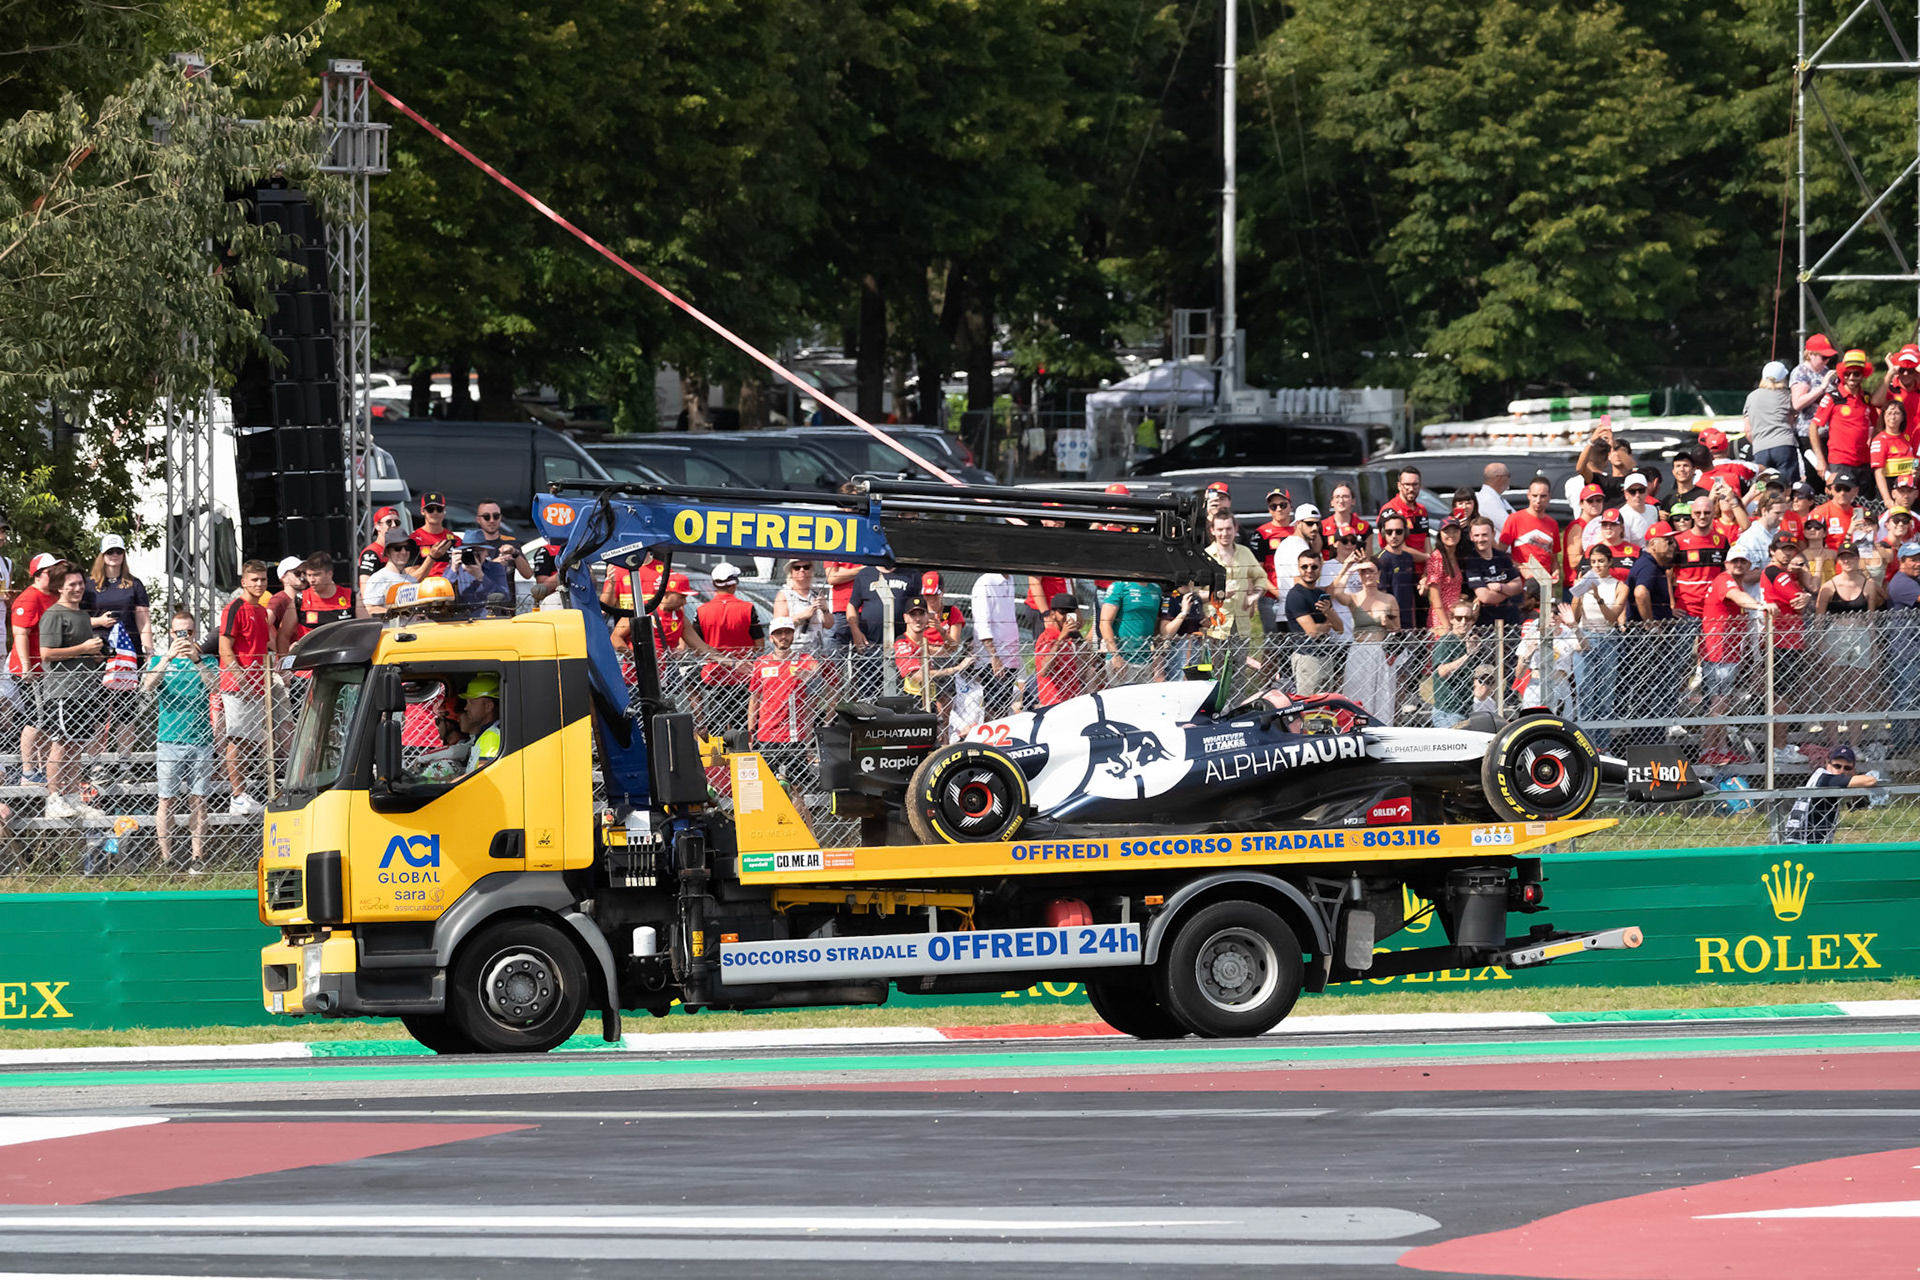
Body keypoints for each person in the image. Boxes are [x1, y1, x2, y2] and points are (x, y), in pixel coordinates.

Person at [143, 610, 218, 871]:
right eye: (178, 632)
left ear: (194, 633)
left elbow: (215, 686)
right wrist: (167, 658)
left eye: (187, 632)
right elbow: (148, 685)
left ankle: (198, 857)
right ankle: (166, 858)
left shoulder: (207, 660)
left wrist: (196, 660)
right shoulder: (160, 660)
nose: (183, 636)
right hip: (169, 740)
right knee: (166, 800)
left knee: (199, 799)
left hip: (201, 740)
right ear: (171, 633)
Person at [37, 568, 106, 821]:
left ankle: (74, 796)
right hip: (63, 691)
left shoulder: (82, 614)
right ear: (59, 588)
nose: (77, 589)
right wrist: (83, 648)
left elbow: (79, 651)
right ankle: (54, 798)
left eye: (80, 584)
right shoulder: (54, 614)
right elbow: (46, 653)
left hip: (85, 690)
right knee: (62, 743)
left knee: (78, 746)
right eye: (71, 585)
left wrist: (94, 654)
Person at [1698, 550, 1778, 764]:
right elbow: (1737, 598)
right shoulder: (1725, 580)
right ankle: (1708, 751)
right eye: (1735, 561)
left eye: (1743, 561)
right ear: (1726, 563)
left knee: (1722, 702)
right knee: (1718, 702)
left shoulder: (1735, 581)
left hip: (1728, 652)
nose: (1739, 565)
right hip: (1719, 652)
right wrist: (1760, 605)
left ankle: (1721, 747)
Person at [1815, 541, 1883, 753]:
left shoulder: (1868, 585)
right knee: (1832, 689)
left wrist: (1874, 647)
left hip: (1860, 634)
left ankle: (1854, 745)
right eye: (1843, 557)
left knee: (1858, 693)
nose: (1847, 560)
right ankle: (1834, 745)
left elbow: (1870, 620)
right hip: (1835, 634)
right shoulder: (1828, 587)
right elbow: (1819, 621)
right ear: (1838, 560)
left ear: (1857, 558)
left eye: (1851, 556)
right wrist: (1819, 647)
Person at [218, 561, 274, 812]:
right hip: (238, 684)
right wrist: (241, 679)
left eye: (262, 579)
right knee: (238, 739)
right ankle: (237, 795)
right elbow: (224, 647)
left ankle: (243, 792)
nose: (259, 584)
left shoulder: (261, 611)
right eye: (254, 580)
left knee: (250, 741)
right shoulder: (234, 609)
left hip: (258, 684)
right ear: (244, 582)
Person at [8, 553, 63, 787]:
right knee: (36, 717)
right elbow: (20, 633)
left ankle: (37, 767)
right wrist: (27, 667)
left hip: (47, 669)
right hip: (31, 670)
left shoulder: (52, 596)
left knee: (46, 719)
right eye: (52, 571)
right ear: (40, 574)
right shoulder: (29, 598)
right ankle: (28, 770)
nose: (57, 575)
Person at [1763, 539, 1817, 765]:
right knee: (1782, 696)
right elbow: (1798, 602)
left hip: (1788, 640)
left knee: (1784, 694)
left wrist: (1805, 596)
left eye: (1790, 550)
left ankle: (1780, 745)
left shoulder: (1786, 574)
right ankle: (1778, 747)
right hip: (1782, 640)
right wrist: (1805, 597)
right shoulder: (1777, 572)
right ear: (1772, 551)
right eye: (1782, 550)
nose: (1786, 554)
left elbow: (1802, 598)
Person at [1569, 544, 1627, 750]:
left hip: (1607, 639)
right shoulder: (1586, 582)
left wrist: (1597, 597)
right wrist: (1579, 593)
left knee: (1605, 695)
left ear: (1610, 562)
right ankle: (1586, 745)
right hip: (1586, 637)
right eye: (1593, 562)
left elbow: (1612, 618)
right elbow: (1575, 617)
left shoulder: (1619, 586)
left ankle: (1603, 746)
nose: (1597, 565)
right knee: (1585, 693)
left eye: (1601, 561)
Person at [747, 617, 822, 777]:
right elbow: (755, 698)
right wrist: (750, 730)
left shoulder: (802, 659)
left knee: (798, 784)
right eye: (778, 633)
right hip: (766, 734)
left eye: (787, 632)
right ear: (771, 637)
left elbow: (815, 669)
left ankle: (796, 801)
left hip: (794, 734)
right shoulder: (761, 663)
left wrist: (808, 674)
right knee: (767, 782)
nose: (783, 636)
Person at [695, 562, 764, 735]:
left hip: (713, 675)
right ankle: (740, 759)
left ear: (714, 584)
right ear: (734, 584)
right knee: (740, 726)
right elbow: (760, 646)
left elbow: (696, 647)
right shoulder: (747, 608)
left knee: (716, 727)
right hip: (743, 675)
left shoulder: (702, 610)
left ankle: (717, 760)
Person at [1330, 558, 1399, 723]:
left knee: (1383, 695)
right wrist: (1349, 569)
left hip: (1381, 651)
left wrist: (1387, 623)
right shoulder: (1354, 598)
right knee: (1357, 693)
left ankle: (1382, 728)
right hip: (1359, 651)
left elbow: (1397, 630)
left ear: (1378, 574)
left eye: (1371, 571)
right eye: (1363, 571)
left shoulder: (1389, 599)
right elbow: (1337, 593)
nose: (1367, 575)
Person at [1780, 745, 1877, 844]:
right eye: (1837, 766)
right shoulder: (1826, 779)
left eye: (1847, 768)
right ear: (1828, 764)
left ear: (1853, 769)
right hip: (1805, 845)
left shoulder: (1820, 776)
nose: (1842, 771)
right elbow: (1870, 780)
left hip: (1800, 841)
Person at [1810, 349, 1876, 488]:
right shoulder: (1833, 397)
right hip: (1840, 463)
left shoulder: (1866, 398)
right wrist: (1820, 459)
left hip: (1864, 463)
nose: (1851, 377)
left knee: (1865, 508)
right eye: (1847, 373)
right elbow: (1813, 427)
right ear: (1842, 374)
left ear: (1863, 375)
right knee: (1843, 504)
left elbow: (1878, 424)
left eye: (1856, 373)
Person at [1204, 510, 1268, 648]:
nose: (1224, 533)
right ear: (1212, 530)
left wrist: (1254, 596)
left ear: (1236, 528)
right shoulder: (1205, 557)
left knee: (1240, 669)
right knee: (1215, 669)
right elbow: (1194, 592)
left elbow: (1261, 577)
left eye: (1228, 528)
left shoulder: (1245, 552)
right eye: (1220, 529)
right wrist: (1218, 594)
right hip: (1215, 629)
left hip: (1241, 627)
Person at [1284, 550, 1342, 694]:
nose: (1309, 571)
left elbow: (1340, 628)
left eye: (1314, 567)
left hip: (1326, 656)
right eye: (1305, 567)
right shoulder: (1295, 595)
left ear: (1320, 567)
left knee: (1325, 705)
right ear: (1298, 568)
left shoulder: (1320, 594)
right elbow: (1313, 632)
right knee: (1308, 704)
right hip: (1307, 656)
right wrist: (1327, 624)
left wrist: (1328, 612)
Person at [1883, 541, 1920, 766]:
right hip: (1906, 652)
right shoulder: (1901, 582)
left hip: (1915, 649)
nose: (1918, 563)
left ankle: (1915, 742)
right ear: (1902, 561)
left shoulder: (1914, 580)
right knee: (1904, 699)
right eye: (1913, 559)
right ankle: (1900, 745)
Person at [459, 499, 532, 604]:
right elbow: (466, 577)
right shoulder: (472, 546)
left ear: (501, 518)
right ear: (478, 520)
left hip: (506, 607)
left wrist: (515, 553)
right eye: (486, 517)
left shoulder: (511, 543)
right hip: (479, 606)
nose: (492, 520)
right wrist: (492, 565)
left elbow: (528, 574)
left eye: (496, 516)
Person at [970, 570, 1021, 717]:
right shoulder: (986, 582)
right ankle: (987, 740)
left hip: (1010, 656)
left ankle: (998, 739)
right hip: (993, 659)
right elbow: (981, 622)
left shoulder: (1010, 579)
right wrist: (994, 656)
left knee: (1003, 707)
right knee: (993, 709)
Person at [1461, 516, 1524, 631]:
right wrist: (1508, 591)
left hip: (1510, 620)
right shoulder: (1471, 561)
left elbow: (1519, 586)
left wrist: (1499, 587)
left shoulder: (1502, 557)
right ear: (1471, 537)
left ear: (1493, 534)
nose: (1480, 539)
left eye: (1484, 535)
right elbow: (1485, 597)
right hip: (1484, 625)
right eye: (1476, 535)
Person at [1745, 360, 1801, 488]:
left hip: (1760, 448)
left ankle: (1761, 506)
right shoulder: (1787, 396)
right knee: (1787, 486)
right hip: (1784, 446)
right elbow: (1791, 421)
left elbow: (1748, 431)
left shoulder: (1751, 397)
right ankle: (1788, 506)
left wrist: (1758, 442)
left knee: (1762, 486)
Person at [1099, 572, 1163, 681]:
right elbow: (1104, 622)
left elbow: (1154, 620)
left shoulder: (1156, 588)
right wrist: (1115, 654)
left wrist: (1157, 651)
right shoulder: (1119, 586)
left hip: (1146, 657)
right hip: (1123, 658)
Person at [1431, 603, 1480, 728]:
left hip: (1467, 708)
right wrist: (1468, 655)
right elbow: (1442, 671)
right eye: (1459, 618)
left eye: (1467, 618)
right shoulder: (1445, 642)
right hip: (1449, 711)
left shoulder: (1472, 642)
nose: (1463, 622)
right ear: (1452, 620)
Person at [1501, 479, 1560, 579]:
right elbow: (1500, 554)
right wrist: (1521, 568)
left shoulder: (1552, 523)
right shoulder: (1515, 519)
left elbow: (1554, 558)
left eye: (1543, 496)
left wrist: (1556, 572)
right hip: (1520, 583)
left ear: (1549, 497)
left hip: (1545, 583)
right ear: (1528, 495)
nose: (1538, 500)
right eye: (1534, 496)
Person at [1373, 516, 1423, 633]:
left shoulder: (1408, 557)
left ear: (1406, 532)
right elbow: (1380, 598)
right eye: (1389, 532)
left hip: (1409, 625)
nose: (1394, 536)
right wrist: (1393, 627)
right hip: (1390, 627)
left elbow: (1412, 593)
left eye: (1398, 531)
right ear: (1383, 533)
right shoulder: (1380, 560)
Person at [1033, 593, 1086, 707]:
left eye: (1070, 614)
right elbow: (1043, 670)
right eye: (1062, 613)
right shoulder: (1048, 636)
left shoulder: (1072, 638)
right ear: (1053, 614)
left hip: (1072, 697)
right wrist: (1060, 638)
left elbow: (1083, 667)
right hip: (1054, 700)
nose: (1066, 617)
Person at [771, 560, 834, 652]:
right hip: (794, 651)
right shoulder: (785, 595)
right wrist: (803, 615)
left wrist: (825, 610)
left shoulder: (817, 595)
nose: (802, 570)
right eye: (797, 568)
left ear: (811, 570)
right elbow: (778, 627)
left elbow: (829, 625)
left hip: (818, 651)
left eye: (806, 567)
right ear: (791, 572)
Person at [1790, 332, 1840, 443]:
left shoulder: (1825, 371)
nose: (1827, 361)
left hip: (1829, 431)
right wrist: (1822, 387)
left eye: (1829, 358)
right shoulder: (1801, 372)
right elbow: (1797, 403)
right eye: (1824, 357)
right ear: (1810, 354)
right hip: (1808, 433)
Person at [1424, 517, 1467, 635]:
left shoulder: (1457, 556)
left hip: (1457, 617)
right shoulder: (1437, 557)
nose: (1451, 535)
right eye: (1446, 531)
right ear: (1440, 535)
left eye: (1455, 531)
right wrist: (1446, 624)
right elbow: (1434, 595)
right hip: (1441, 617)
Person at [297, 552, 359, 635]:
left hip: (343, 647)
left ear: (329, 574)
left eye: (316, 575)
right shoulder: (300, 599)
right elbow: (284, 635)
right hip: (311, 648)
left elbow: (367, 630)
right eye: (308, 575)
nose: (311, 580)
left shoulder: (350, 596)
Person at [1247, 489, 1296, 593]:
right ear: (1269, 510)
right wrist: (1277, 593)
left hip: (1297, 592)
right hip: (1271, 597)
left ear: (1291, 507)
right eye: (1273, 506)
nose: (1278, 509)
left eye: (1283, 505)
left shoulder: (1299, 530)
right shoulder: (1261, 533)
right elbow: (1258, 571)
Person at [1870, 399, 1916, 507]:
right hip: (1890, 489)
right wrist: (1887, 499)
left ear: (1903, 416)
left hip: (1908, 490)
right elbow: (1879, 473)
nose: (1892, 417)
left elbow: (1915, 460)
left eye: (1896, 413)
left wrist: (1916, 471)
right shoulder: (1880, 440)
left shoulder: (1907, 437)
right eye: (1889, 413)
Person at [1270, 504, 1323, 592]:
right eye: (1309, 523)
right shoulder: (1299, 548)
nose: (1315, 528)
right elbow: (1298, 581)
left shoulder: (1289, 542)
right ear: (1298, 523)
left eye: (1317, 524)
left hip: (1289, 600)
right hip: (1299, 602)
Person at [364, 530, 419, 614]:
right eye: (398, 548)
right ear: (387, 553)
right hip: (389, 627)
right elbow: (369, 609)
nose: (403, 552)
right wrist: (397, 614)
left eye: (407, 548)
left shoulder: (413, 580)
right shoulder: (379, 578)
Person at [356, 506, 404, 602]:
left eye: (397, 522)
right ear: (377, 526)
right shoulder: (371, 553)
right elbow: (365, 587)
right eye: (389, 522)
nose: (394, 525)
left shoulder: (403, 550)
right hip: (379, 607)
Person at [1378, 467, 1431, 553]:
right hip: (1400, 564)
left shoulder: (1422, 510)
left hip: (1424, 565)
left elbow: (1426, 539)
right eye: (1407, 484)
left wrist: (1430, 563)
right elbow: (1395, 547)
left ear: (1420, 485)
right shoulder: (1390, 510)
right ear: (1399, 486)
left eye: (1415, 485)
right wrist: (1426, 557)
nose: (1411, 489)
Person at [1564, 485, 1607, 585]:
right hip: (1576, 583)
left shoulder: (1605, 525)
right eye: (1590, 501)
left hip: (1596, 582)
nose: (1595, 504)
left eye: (1598, 500)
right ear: (1581, 504)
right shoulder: (1578, 527)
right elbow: (1573, 562)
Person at [410, 491, 457, 577]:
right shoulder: (413, 540)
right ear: (422, 511)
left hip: (450, 586)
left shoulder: (454, 539)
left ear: (444, 511)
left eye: (439, 509)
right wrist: (432, 557)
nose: (435, 513)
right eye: (430, 509)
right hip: (425, 587)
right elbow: (412, 578)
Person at [1475, 463, 1514, 528]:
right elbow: (1509, 526)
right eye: (1508, 476)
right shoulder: (1487, 500)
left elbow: (1516, 518)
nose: (1509, 479)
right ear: (1499, 477)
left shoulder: (1495, 497)